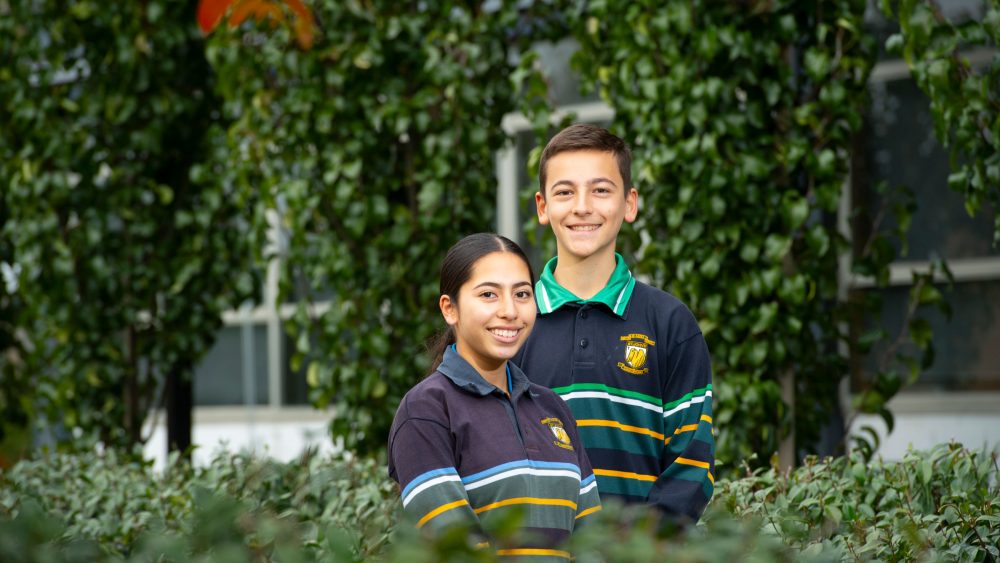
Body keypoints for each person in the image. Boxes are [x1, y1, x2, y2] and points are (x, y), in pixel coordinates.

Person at [514, 124, 715, 523]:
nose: (582, 206)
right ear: (542, 207)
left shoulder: (669, 323)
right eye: (565, 191)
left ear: (629, 203)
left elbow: (691, 465)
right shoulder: (512, 322)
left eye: (601, 190)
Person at [388, 233, 601, 559]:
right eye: (489, 294)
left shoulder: (553, 408)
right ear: (450, 309)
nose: (509, 311)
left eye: (522, 294)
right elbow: (456, 549)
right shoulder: (425, 411)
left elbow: (593, 542)